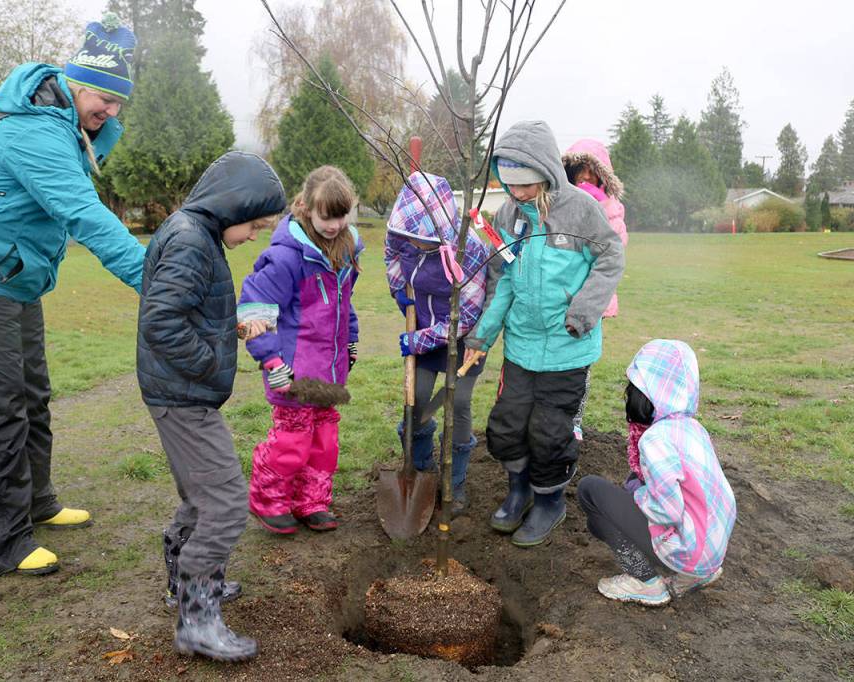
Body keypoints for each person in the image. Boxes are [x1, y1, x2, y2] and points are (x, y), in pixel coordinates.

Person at [0, 13, 144, 579]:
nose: (111, 112)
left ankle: (37, 501)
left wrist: (98, 128)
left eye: (119, 103)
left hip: (10, 276)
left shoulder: (68, 128)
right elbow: (84, 215)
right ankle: (5, 541)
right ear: (74, 81)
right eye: (104, 98)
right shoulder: (36, 131)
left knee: (32, 392)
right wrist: (159, 279)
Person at [138, 151, 286, 661]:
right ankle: (197, 622)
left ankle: (183, 586)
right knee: (224, 502)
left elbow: (187, 309)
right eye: (255, 224)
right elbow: (162, 322)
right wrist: (207, 361)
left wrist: (233, 329)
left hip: (179, 392)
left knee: (200, 497)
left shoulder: (193, 233)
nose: (254, 236)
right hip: (184, 397)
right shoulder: (190, 242)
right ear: (233, 205)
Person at [463, 120, 625, 547]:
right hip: (521, 347)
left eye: (526, 185)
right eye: (510, 184)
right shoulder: (508, 215)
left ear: (547, 172)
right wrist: (481, 337)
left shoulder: (581, 211)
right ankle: (518, 491)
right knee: (506, 427)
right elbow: (504, 280)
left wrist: (584, 311)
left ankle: (550, 501)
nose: (517, 193)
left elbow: (611, 258)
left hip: (567, 350)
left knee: (550, 434)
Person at [238, 166, 363, 534]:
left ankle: (311, 501)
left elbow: (345, 303)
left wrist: (351, 338)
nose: (335, 225)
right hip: (292, 369)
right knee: (292, 441)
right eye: (327, 216)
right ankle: (269, 499)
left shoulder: (345, 249)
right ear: (307, 208)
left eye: (342, 216)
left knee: (324, 441)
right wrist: (270, 359)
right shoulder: (286, 257)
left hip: (331, 368)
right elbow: (253, 309)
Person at [576, 340, 737, 606]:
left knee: (590, 492)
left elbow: (668, 510)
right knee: (630, 486)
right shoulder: (692, 428)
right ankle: (691, 576)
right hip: (710, 550)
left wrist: (638, 495)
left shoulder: (656, 440)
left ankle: (646, 582)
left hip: (688, 550)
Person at [384, 171, 488, 516]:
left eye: (423, 241)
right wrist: (401, 293)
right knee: (416, 404)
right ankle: (422, 471)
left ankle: (455, 484)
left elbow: (469, 314)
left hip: (458, 337)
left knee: (457, 402)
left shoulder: (468, 248)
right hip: (424, 334)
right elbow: (392, 260)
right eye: (411, 239)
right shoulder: (403, 239)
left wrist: (420, 338)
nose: (415, 245)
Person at [562, 139, 629, 442]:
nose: (585, 177)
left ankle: (574, 419)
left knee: (581, 364)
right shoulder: (559, 203)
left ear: (603, 175)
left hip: (592, 302)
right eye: (580, 170)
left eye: (592, 171)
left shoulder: (612, 211)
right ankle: (553, 416)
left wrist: (595, 209)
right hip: (559, 296)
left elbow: (614, 251)